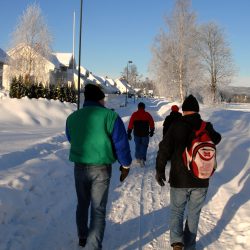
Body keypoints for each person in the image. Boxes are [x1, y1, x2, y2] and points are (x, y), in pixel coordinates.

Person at [66, 84, 132, 249]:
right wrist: (125, 165)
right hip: (101, 168)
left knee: (82, 204)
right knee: (98, 209)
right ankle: (94, 246)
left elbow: (71, 137)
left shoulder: (73, 117)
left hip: (80, 166)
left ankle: (82, 237)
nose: (104, 101)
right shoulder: (110, 116)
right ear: (99, 99)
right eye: (103, 98)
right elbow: (121, 144)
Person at [155, 95, 221, 250]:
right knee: (194, 214)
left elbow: (164, 149)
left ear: (183, 110)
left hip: (179, 179)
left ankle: (177, 242)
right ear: (197, 110)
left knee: (177, 211)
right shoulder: (206, 126)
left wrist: (160, 170)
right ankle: (190, 245)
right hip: (201, 178)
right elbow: (217, 139)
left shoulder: (177, 125)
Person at [127, 102, 155, 166]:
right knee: (144, 146)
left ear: (138, 107)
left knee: (138, 146)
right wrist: (152, 130)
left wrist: (129, 132)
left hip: (137, 134)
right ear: (144, 107)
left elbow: (130, 124)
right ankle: (142, 159)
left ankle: (137, 158)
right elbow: (152, 123)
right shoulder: (147, 114)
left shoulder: (134, 114)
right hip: (145, 134)